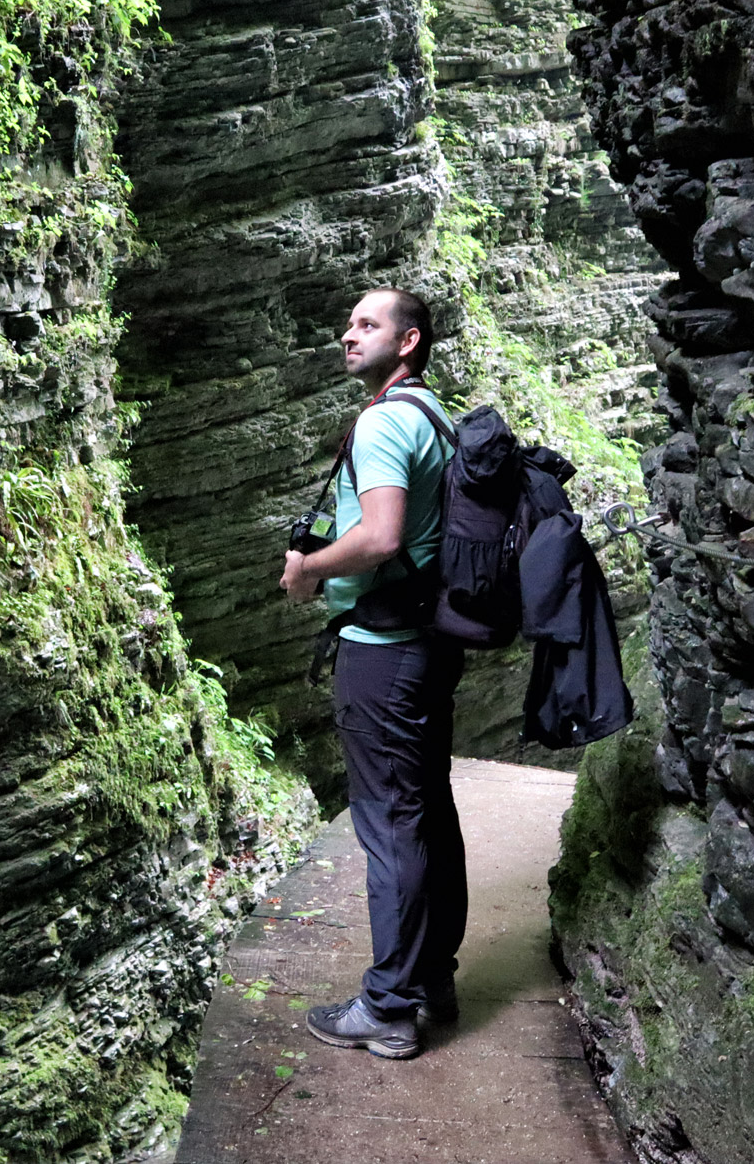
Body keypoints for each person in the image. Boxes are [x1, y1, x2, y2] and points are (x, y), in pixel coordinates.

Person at [278, 287, 464, 1060]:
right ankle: (431, 979)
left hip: (384, 649)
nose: (346, 334)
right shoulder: (434, 414)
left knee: (390, 822)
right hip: (428, 638)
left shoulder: (385, 420)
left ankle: (388, 1007)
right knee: (425, 810)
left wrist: (310, 569)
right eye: (347, 321)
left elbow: (382, 535)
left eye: (366, 324)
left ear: (409, 339)